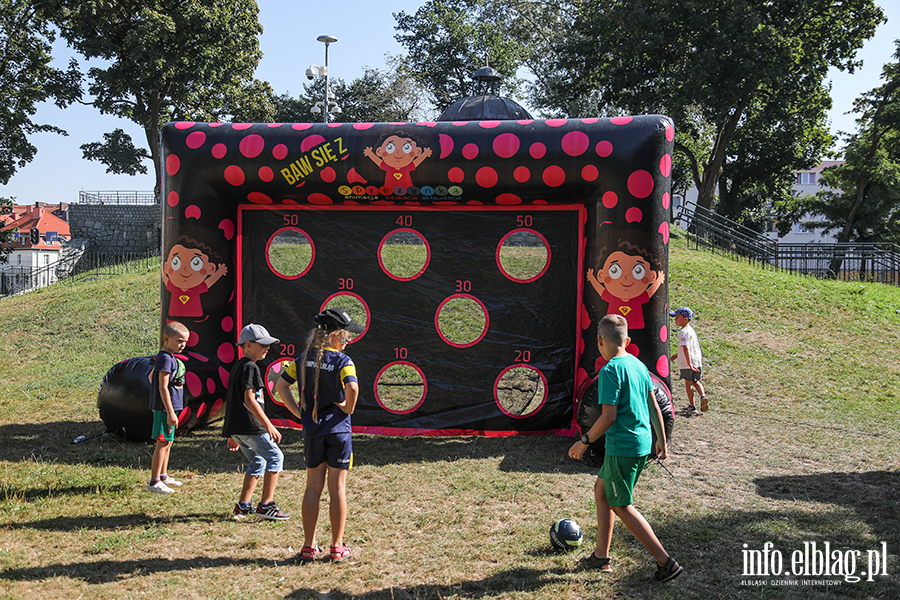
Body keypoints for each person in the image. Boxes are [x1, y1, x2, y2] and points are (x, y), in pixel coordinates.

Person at [569, 314, 683, 582]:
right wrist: (661, 441)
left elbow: (608, 417)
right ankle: (601, 556)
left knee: (622, 505)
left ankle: (666, 563)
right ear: (627, 341)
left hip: (623, 447)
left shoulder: (609, 371)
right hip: (641, 444)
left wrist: (583, 442)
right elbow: (655, 406)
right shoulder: (638, 365)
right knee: (602, 491)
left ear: (599, 341)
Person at [274, 308, 364, 564]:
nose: (348, 341)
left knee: (313, 487)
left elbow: (281, 385)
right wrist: (348, 408)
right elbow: (353, 387)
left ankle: (308, 547)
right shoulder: (343, 362)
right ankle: (337, 548)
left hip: (312, 431)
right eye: (346, 336)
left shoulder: (303, 358)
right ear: (335, 335)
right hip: (339, 432)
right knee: (338, 488)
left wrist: (299, 413)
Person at [223, 323, 290, 521]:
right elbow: (249, 400)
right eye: (263, 345)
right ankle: (266, 505)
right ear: (248, 345)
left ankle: (243, 505)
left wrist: (232, 433)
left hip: (239, 427)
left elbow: (232, 400)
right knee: (275, 458)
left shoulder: (239, 367)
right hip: (250, 426)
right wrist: (268, 424)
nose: (267, 348)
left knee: (257, 460)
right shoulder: (250, 367)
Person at [147, 321, 189, 494]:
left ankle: (163, 475)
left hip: (170, 407)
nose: (183, 345)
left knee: (169, 442)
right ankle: (154, 481)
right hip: (166, 409)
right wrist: (168, 410)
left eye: (185, 342)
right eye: (179, 341)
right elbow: (162, 386)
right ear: (166, 339)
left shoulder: (169, 358)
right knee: (162, 443)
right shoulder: (165, 358)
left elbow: (151, 376)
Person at [669, 307, 707, 414]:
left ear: (685, 319)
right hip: (697, 360)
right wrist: (676, 355)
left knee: (688, 384)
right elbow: (688, 347)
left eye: (677, 317)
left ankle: (692, 406)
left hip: (687, 362)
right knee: (696, 381)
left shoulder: (683, 332)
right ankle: (703, 396)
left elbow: (686, 348)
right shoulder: (691, 330)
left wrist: (689, 364)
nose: (675, 320)